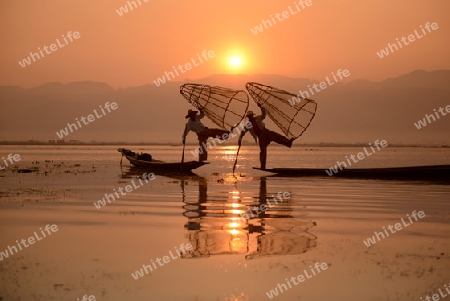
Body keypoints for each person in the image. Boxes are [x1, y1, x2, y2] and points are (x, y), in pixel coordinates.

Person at [238, 104, 294, 169]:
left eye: (251, 116)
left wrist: (261, 107)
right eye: (249, 116)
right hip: (261, 137)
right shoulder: (248, 125)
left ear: (252, 116)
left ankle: (288, 142)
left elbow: (264, 115)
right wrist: (239, 140)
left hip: (266, 132)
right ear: (248, 117)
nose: (250, 117)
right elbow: (242, 132)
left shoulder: (258, 118)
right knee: (263, 151)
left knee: (276, 136)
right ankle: (262, 166)